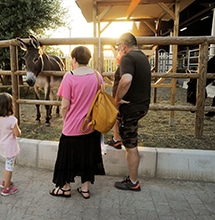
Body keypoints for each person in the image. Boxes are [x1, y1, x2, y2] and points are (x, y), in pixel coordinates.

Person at [49, 46, 105, 199]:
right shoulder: (97, 75)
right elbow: (100, 99)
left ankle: (65, 188)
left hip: (72, 127)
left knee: (66, 158)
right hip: (91, 126)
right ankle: (85, 189)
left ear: (74, 59)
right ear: (88, 59)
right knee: (87, 157)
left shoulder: (69, 76)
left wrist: (64, 117)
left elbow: (65, 105)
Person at [113, 32, 151, 191]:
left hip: (131, 108)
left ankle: (133, 182)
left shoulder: (128, 58)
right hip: (140, 106)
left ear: (123, 45)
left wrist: (117, 99)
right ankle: (116, 139)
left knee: (131, 145)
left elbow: (127, 79)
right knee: (126, 136)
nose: (117, 50)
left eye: (118, 46)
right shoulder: (142, 57)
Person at [0, 92, 21, 196]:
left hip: (1, 145)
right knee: (9, 166)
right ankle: (6, 187)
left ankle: (6, 181)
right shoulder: (12, 120)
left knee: (8, 164)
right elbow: (17, 133)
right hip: (10, 147)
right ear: (10, 105)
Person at [106, 50, 125, 149]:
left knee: (117, 116)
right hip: (120, 96)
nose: (117, 54)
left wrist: (118, 97)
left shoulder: (125, 64)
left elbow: (126, 80)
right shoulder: (124, 64)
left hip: (120, 97)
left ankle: (117, 139)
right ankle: (117, 138)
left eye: (119, 51)